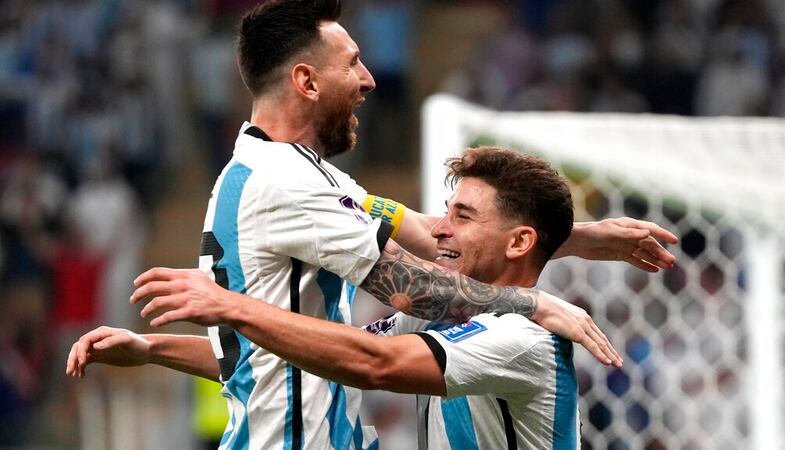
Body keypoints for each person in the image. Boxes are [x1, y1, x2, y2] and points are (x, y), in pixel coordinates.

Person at [67, 1, 677, 448]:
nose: (370, 79)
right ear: (306, 81)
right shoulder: (287, 183)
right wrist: (534, 303)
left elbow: (433, 234)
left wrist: (579, 239)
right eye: (353, 64)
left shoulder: (306, 177)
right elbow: (412, 302)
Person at [125, 146, 588, 449]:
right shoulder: (445, 319)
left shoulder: (523, 337)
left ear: (520, 243)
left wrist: (233, 305)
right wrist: (151, 349)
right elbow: (309, 354)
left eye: (462, 216)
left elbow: (372, 363)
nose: (440, 228)